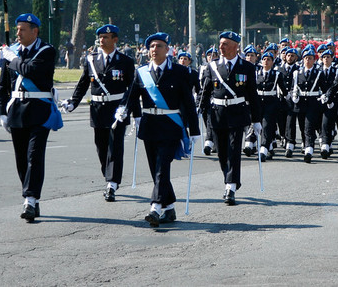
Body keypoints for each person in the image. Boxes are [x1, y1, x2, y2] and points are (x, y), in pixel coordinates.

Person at [117, 32, 199, 226]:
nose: (154, 49)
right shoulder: (141, 72)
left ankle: (155, 207)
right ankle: (169, 208)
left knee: (162, 167)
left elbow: (188, 102)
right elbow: (130, 96)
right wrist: (123, 110)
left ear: (168, 49)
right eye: (152, 46)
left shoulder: (179, 72)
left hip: (170, 126)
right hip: (150, 125)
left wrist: (194, 130)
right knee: (156, 170)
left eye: (159, 46)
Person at [0, 13, 62, 222]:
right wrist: (1, 112)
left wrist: (11, 59)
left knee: (35, 156)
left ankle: (30, 199)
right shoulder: (12, 52)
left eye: (22, 29)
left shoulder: (47, 51)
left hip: (39, 111)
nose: (18, 33)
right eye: (17, 29)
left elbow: (30, 70)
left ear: (35, 31)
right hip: (16, 111)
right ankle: (31, 196)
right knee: (21, 159)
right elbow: (4, 86)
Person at [61, 24, 135, 202]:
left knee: (115, 147)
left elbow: (132, 89)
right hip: (98, 110)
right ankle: (108, 174)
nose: (102, 40)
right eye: (100, 37)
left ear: (115, 39)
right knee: (101, 146)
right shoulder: (91, 60)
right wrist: (73, 102)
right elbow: (83, 84)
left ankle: (112, 183)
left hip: (117, 109)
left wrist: (127, 109)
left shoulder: (125, 61)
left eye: (106, 37)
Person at [198, 31, 262, 206]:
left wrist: (256, 120)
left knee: (234, 151)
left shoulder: (247, 67)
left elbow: (252, 95)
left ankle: (230, 187)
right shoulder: (212, 66)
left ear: (235, 46)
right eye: (220, 44)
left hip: (237, 112)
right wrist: (197, 112)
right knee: (222, 153)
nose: (221, 47)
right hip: (217, 114)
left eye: (225, 44)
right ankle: (230, 178)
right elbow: (205, 93)